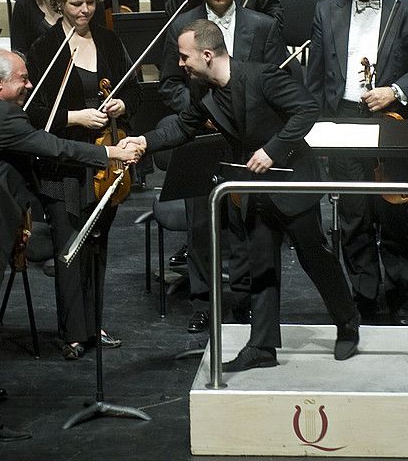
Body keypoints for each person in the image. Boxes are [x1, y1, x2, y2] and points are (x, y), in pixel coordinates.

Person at [0, 47, 139, 460]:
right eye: (23, 78)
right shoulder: (1, 117)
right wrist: (110, 153)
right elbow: (53, 146)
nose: (29, 84)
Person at [126, 19, 360, 371]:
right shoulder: (204, 94)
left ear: (207, 55)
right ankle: (263, 347)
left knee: (316, 259)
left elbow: (307, 109)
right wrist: (145, 141)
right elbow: (183, 125)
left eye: (184, 56)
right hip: (254, 189)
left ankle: (347, 324)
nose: (180, 64)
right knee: (261, 264)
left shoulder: (262, 76)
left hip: (292, 180)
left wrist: (272, 150)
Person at [305, 0, 408, 323]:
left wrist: (395, 91)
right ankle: (365, 299)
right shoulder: (326, 9)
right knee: (353, 215)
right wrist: (315, 128)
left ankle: (398, 294)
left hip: (392, 120)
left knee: (395, 213)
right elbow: (315, 76)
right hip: (344, 119)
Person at [158, 0, 285, 333]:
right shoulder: (182, 25)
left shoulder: (262, 27)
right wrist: (202, 108)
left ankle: (245, 298)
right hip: (202, 136)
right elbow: (168, 84)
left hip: (246, 140)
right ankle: (203, 301)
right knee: (201, 222)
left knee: (245, 220)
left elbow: (274, 83)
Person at [26, 0, 138, 359]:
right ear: (60, 4)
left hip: (105, 157)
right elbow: (33, 111)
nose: (85, 9)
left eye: (90, 1)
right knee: (68, 245)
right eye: (76, 3)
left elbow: (133, 88)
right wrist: (75, 117)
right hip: (64, 161)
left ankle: (94, 325)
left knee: (97, 244)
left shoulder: (108, 40)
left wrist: (123, 104)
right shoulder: (45, 48)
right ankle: (72, 332)